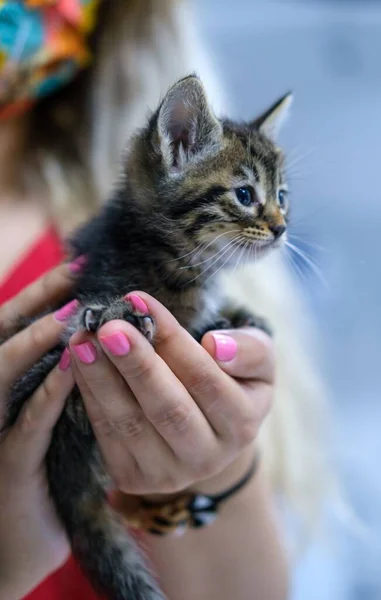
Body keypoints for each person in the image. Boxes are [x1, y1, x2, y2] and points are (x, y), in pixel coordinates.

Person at [0, 1, 324, 599]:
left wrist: (212, 459)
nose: (278, 222)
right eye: (255, 198)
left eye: (278, 199)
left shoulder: (193, 248)